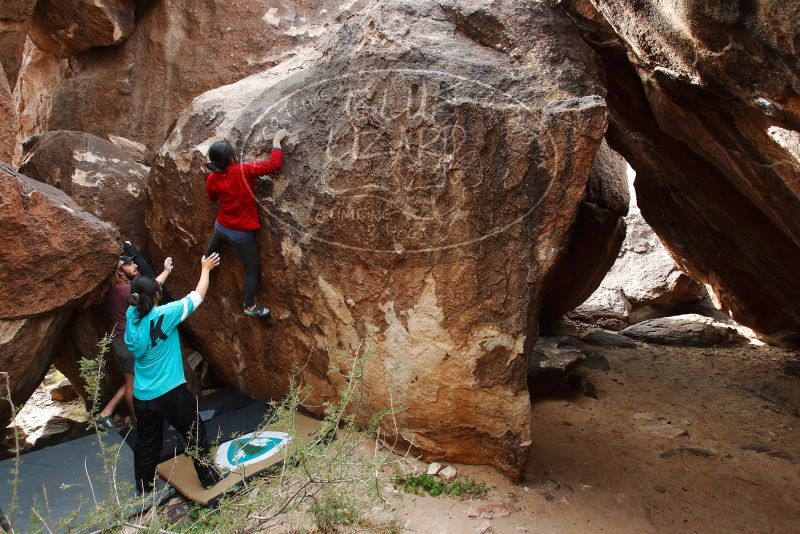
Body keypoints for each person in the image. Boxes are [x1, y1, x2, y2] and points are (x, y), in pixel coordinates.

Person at [125, 253, 223, 493]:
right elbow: (197, 296)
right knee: (193, 433)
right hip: (171, 391)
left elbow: (148, 291)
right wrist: (206, 269)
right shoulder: (165, 315)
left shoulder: (131, 315)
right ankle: (209, 478)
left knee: (147, 442)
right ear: (156, 296)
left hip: (143, 395)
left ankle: (144, 487)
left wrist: (166, 272)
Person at [204, 128, 289, 317]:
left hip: (221, 226)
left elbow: (212, 199)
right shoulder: (244, 170)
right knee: (252, 270)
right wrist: (276, 141)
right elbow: (274, 164)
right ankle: (249, 306)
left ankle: (204, 270)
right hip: (240, 233)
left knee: (210, 254)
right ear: (232, 159)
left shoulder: (212, 177)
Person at [94, 252, 173, 431]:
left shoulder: (111, 292)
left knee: (134, 378)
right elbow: (151, 290)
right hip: (127, 341)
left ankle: (106, 412)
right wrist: (166, 271)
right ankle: (139, 422)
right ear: (120, 271)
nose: (135, 266)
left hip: (121, 341)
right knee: (132, 382)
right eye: (129, 265)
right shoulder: (123, 290)